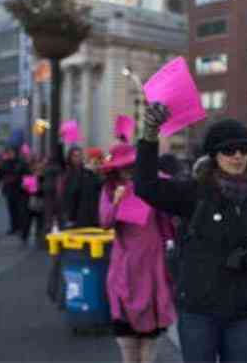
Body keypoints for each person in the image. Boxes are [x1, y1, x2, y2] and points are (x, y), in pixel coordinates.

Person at [134, 106, 247, 363]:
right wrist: (149, 134)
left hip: (243, 311)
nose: (238, 156)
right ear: (215, 155)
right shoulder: (193, 192)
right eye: (229, 150)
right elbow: (145, 187)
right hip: (198, 310)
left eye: (244, 150)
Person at [99, 143, 176, 363]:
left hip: (153, 266)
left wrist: (163, 192)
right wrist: (116, 201)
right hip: (125, 267)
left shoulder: (155, 184)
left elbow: (171, 221)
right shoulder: (110, 189)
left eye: (133, 167)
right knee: (127, 343)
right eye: (124, 168)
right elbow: (104, 222)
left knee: (150, 343)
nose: (129, 172)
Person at [62, 146, 102, 228]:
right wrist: (70, 217)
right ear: (70, 157)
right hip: (76, 216)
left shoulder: (88, 173)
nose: (78, 158)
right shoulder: (67, 174)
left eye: (80, 155)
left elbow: (97, 188)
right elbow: (69, 196)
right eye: (75, 156)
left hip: (89, 215)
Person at [0, 148, 27, 235]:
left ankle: (20, 227)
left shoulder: (21, 163)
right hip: (10, 189)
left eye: (12, 153)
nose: (11, 154)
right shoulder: (5, 163)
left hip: (20, 190)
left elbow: (26, 174)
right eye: (9, 153)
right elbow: (1, 174)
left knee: (20, 210)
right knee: (11, 209)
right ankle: (14, 227)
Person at [21, 157, 46, 247]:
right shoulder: (29, 176)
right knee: (27, 221)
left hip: (40, 203)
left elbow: (42, 190)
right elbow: (26, 189)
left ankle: (39, 237)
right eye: (37, 168)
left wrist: (37, 186)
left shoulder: (44, 177)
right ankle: (24, 236)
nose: (39, 170)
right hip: (30, 202)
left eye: (41, 168)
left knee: (40, 222)